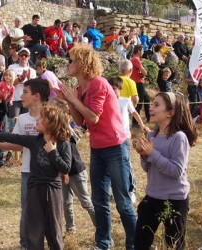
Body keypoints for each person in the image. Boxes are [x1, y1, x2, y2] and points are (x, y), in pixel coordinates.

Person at [58, 43, 137, 250]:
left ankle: (136, 244)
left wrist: (74, 99)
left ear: (82, 64)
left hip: (115, 147)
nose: (68, 63)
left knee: (122, 201)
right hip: (98, 148)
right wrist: (69, 101)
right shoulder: (81, 88)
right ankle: (103, 243)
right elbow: (80, 121)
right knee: (99, 199)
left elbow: (93, 117)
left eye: (72, 60)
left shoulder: (99, 84)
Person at [0, 104, 72, 250]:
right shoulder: (34, 141)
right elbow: (12, 137)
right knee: (34, 230)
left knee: (54, 230)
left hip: (53, 191)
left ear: (51, 123)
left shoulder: (63, 143)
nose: (37, 119)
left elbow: (65, 167)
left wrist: (52, 152)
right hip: (34, 189)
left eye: (41, 117)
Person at [0, 79, 50, 249]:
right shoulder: (22, 119)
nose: (21, 96)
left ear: (36, 96)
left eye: (25, 92)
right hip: (28, 172)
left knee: (50, 211)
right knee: (27, 211)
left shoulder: (53, 116)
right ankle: (25, 245)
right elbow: (18, 144)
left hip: (50, 174)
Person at [133, 92, 198, 250]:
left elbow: (176, 171)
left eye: (156, 105)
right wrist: (143, 155)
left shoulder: (179, 138)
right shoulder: (152, 136)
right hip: (153, 196)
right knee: (140, 242)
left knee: (173, 244)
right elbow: (148, 167)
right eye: (152, 104)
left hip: (175, 200)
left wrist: (152, 154)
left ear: (170, 112)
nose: (151, 108)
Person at [47, 97, 96, 234]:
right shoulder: (54, 128)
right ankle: (70, 232)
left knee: (85, 202)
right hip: (63, 171)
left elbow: (68, 155)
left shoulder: (65, 129)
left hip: (75, 170)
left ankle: (102, 230)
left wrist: (66, 172)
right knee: (66, 203)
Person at [108, 76, 150, 204]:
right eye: (110, 88)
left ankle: (131, 191)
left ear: (120, 89)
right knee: (113, 167)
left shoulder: (125, 101)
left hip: (124, 137)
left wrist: (142, 126)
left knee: (126, 164)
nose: (112, 90)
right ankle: (117, 192)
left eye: (114, 88)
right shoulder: (106, 101)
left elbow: (135, 113)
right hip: (110, 139)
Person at [7, 48, 36, 124]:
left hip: (27, 100)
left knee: (25, 123)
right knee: (12, 123)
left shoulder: (32, 71)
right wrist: (21, 78)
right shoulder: (12, 67)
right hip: (15, 99)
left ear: (29, 57)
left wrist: (29, 79)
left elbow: (34, 88)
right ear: (18, 56)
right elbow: (9, 83)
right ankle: (11, 135)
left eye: (26, 55)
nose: (23, 57)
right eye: (22, 55)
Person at [131, 45, 150, 127]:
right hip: (138, 83)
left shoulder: (134, 59)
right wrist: (143, 73)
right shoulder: (135, 59)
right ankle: (135, 123)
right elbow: (145, 72)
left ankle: (149, 117)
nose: (143, 52)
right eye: (142, 51)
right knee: (139, 103)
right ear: (138, 51)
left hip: (137, 82)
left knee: (147, 98)